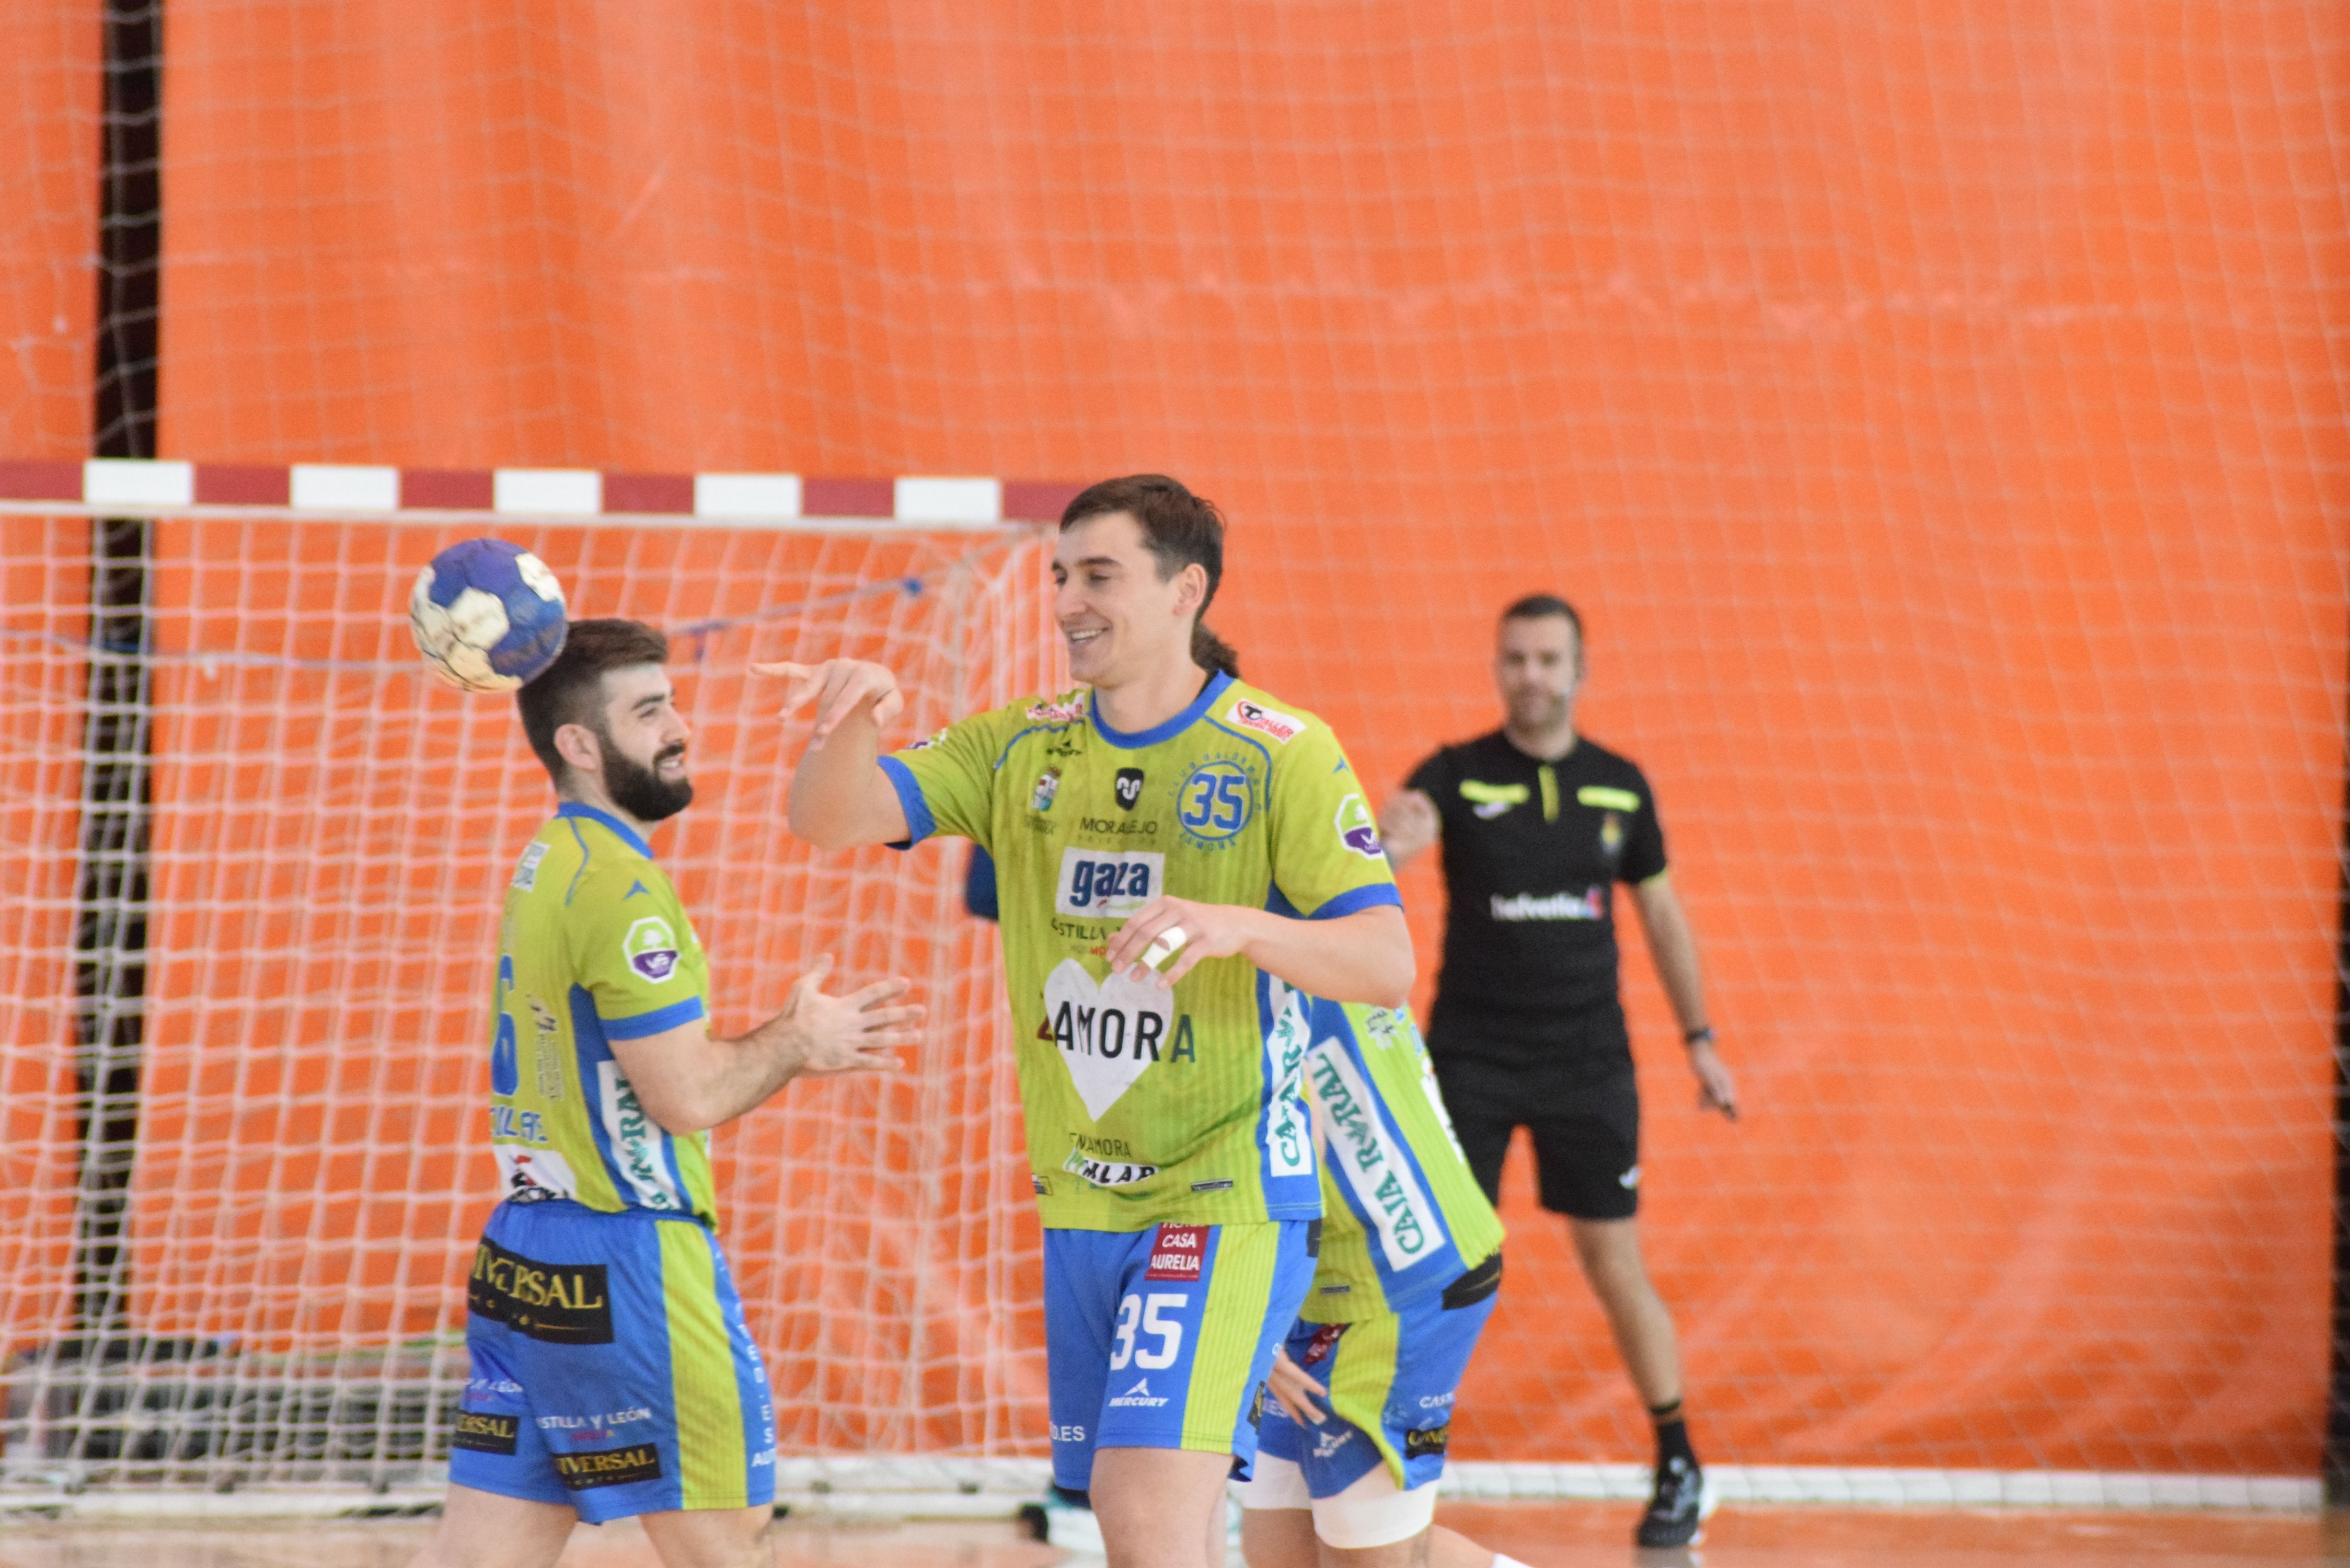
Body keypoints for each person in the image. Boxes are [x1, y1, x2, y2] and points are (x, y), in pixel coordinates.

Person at [770, 475, 1414, 1568]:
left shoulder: (1280, 753)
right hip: (1079, 1204)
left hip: (1225, 1191)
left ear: (1185, 590)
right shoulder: (1022, 745)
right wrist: (853, 720)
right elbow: (828, 818)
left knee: (1143, 1508)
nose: (1066, 599)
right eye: (1060, 574)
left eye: (1099, 575)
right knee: (1153, 1523)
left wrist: (1234, 925)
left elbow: (1385, 964)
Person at [405, 618, 925, 1568]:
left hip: (523, 1260)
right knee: (728, 1548)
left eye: (673, 702)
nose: (680, 728)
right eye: (650, 712)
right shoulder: (623, 890)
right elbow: (685, 1097)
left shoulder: (548, 861)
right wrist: (796, 1039)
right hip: (631, 1259)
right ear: (578, 744)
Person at [1379, 595, 1737, 1550]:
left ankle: (1678, 1463)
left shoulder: (1621, 787)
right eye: (1514, 659)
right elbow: (1360, 882)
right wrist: (1380, 853)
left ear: (1580, 669)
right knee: (1437, 1261)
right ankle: (1382, 1463)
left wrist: (1699, 1038)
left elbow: (1661, 917)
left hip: (1588, 1060)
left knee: (1612, 1258)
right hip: (1470, 1057)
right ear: (1496, 668)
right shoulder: (1450, 777)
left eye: (1548, 659)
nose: (1530, 675)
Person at [1232, 999, 1533, 1568]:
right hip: (1326, 1279)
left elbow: (1298, 1137)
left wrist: (1253, 1318)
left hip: (1394, 1278)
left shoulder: (1263, 945)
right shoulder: (1312, 929)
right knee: (1279, 1553)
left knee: (1378, 1557)